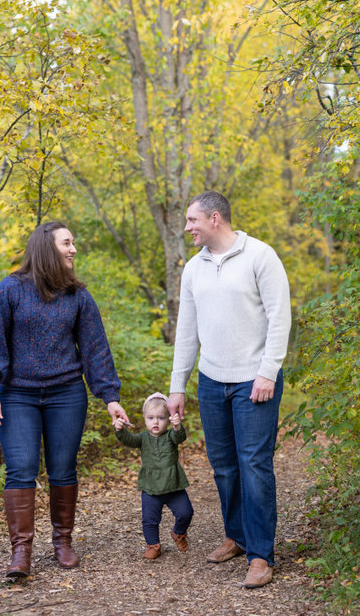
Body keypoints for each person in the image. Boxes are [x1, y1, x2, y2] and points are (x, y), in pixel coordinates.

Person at [0, 220, 129, 578]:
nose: (73, 249)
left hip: (66, 394)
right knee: (20, 470)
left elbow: (95, 351)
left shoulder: (78, 297)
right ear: (47, 247)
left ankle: (63, 541)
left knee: (63, 469)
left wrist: (110, 397)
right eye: (67, 243)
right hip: (17, 396)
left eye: (73, 243)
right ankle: (21, 553)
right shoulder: (9, 290)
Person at [168, 191, 291, 589]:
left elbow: (279, 316)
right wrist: (178, 386)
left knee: (254, 465)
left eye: (192, 221)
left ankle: (260, 555)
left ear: (215, 218)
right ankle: (236, 537)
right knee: (224, 466)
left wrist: (268, 371)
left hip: (254, 380)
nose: (187, 228)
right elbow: (187, 330)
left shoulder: (260, 256)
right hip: (211, 380)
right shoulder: (194, 268)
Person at [113, 392, 193, 560]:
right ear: (144, 419)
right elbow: (128, 439)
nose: (155, 422)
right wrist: (119, 429)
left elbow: (180, 437)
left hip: (173, 485)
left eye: (161, 418)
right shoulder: (142, 438)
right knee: (149, 519)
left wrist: (177, 426)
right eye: (151, 418)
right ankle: (153, 545)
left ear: (169, 419)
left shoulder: (170, 436)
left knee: (186, 512)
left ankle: (178, 533)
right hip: (150, 486)